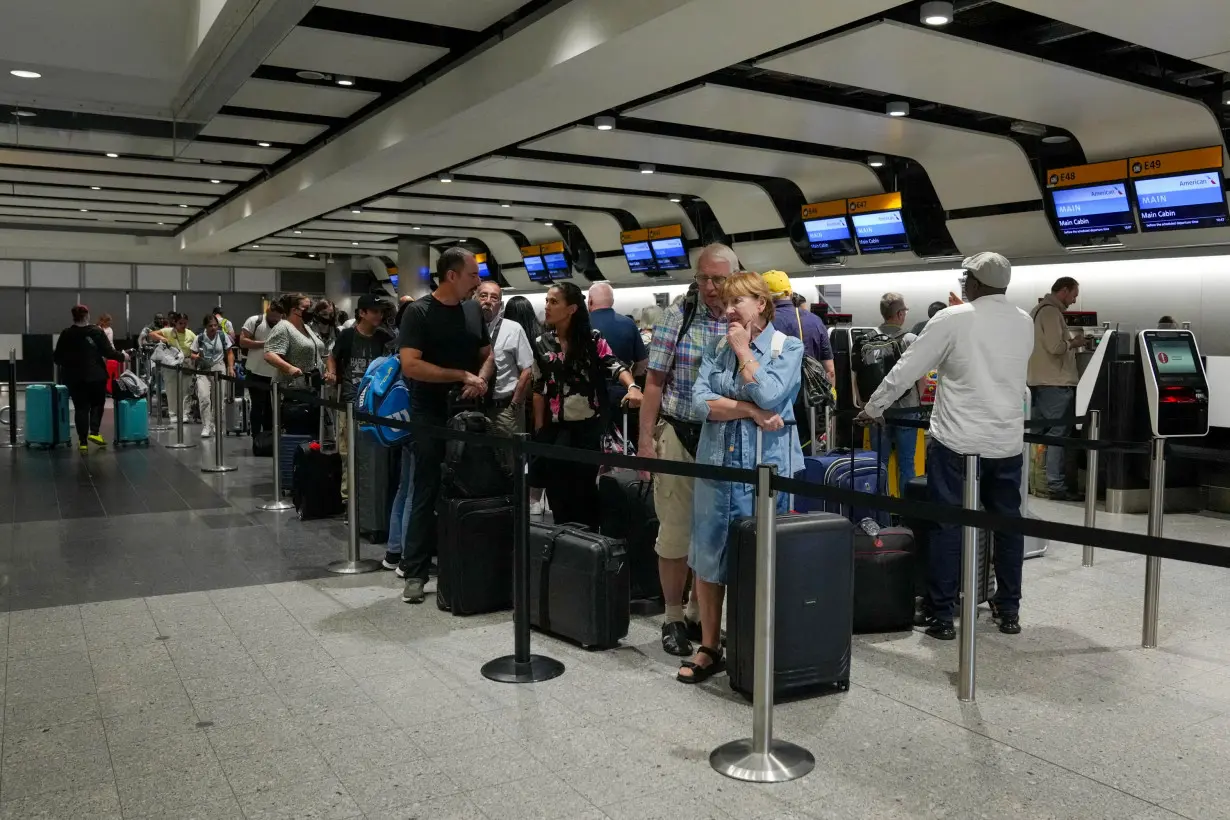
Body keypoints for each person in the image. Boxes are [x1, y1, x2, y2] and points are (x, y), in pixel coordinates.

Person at [858, 252, 1033, 639]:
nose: (962, 284)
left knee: (946, 525)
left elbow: (907, 369)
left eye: (965, 277)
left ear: (974, 282)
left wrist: (873, 408)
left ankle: (941, 614)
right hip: (1006, 444)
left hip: (956, 442)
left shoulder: (952, 319)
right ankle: (1009, 610)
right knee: (1007, 526)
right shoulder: (1024, 321)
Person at [678, 272, 804, 683]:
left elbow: (771, 394)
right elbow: (699, 402)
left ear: (762, 304)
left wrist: (744, 352)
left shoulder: (789, 347)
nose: (729, 310)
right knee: (710, 558)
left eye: (738, 302)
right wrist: (748, 411)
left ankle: (757, 643)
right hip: (717, 468)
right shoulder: (717, 347)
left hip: (766, 472)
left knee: (762, 559)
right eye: (726, 303)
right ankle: (710, 646)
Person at [638, 243, 736, 657]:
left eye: (717, 278)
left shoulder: (744, 316)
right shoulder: (679, 316)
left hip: (725, 439)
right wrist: (645, 440)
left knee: (715, 532)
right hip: (679, 433)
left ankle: (702, 613)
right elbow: (655, 381)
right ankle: (673, 615)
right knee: (676, 530)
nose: (710, 286)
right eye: (703, 277)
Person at [397, 248, 493, 604]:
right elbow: (411, 365)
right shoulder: (419, 313)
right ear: (451, 275)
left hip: (468, 410)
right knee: (426, 486)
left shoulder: (471, 311)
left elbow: (487, 356)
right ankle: (415, 570)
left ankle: (466, 562)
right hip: (430, 411)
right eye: (472, 275)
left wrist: (478, 379)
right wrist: (459, 374)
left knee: (471, 483)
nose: (478, 281)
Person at [531, 281, 641, 528]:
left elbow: (614, 365)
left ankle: (589, 545)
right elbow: (538, 387)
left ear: (571, 309)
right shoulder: (541, 342)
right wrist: (539, 429)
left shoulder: (592, 339)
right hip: (555, 430)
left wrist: (632, 386)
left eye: (554, 301)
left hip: (587, 429)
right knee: (557, 492)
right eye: (546, 301)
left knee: (584, 493)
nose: (547, 306)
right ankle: (562, 544)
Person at [328, 295, 394, 501]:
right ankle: (348, 498)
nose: (379, 315)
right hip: (350, 399)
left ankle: (370, 498)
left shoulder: (385, 337)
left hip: (375, 402)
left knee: (374, 452)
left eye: (381, 312)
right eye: (374, 311)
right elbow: (333, 356)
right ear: (362, 313)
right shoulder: (347, 335)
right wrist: (331, 373)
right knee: (348, 451)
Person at [761, 270, 834, 452]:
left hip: (775, 404)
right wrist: (829, 401)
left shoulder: (764, 322)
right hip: (811, 402)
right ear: (790, 293)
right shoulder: (815, 321)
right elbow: (829, 369)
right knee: (808, 451)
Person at [1027, 276, 1085, 502]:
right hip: (1055, 383)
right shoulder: (1051, 312)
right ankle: (1055, 485)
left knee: (1037, 433)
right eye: (1073, 295)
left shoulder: (1036, 310)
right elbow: (1055, 346)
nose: (1074, 300)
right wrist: (1075, 342)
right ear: (1064, 290)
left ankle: (1035, 482)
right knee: (1057, 434)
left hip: (1039, 381)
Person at [54, 305, 127, 452]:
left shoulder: (66, 334)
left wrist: (70, 365)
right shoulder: (96, 332)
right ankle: (94, 432)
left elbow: (57, 357)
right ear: (87, 316)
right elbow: (108, 352)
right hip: (96, 375)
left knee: (80, 407)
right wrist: (123, 357)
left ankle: (82, 442)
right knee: (97, 403)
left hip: (74, 377)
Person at [872, 293, 921, 493]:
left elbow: (857, 376)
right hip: (907, 410)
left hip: (878, 410)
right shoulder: (910, 339)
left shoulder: (868, 338)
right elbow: (922, 379)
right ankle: (906, 513)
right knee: (907, 464)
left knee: (878, 464)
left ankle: (878, 512)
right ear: (900, 314)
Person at [504, 295, 549, 516]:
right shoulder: (542, 337)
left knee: (514, 451)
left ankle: (514, 494)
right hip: (540, 401)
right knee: (537, 448)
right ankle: (535, 498)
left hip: (517, 401)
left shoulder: (507, 332)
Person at [476, 282, 534, 438]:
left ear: (500, 305)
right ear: (475, 299)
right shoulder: (468, 328)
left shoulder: (513, 329)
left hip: (504, 411)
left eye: (493, 297)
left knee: (509, 459)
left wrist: (514, 405)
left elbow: (527, 370)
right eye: (483, 295)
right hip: (474, 409)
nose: (488, 300)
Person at [587, 282, 648, 408]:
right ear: (612, 301)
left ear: (590, 301)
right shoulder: (628, 324)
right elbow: (642, 363)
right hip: (621, 393)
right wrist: (630, 379)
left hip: (590, 394)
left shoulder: (580, 325)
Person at [239, 302, 284, 439]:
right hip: (255, 371)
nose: (275, 321)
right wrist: (264, 344)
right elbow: (242, 341)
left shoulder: (283, 324)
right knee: (258, 405)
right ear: (268, 311)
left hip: (275, 373)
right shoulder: (255, 321)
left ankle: (269, 438)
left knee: (272, 408)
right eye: (273, 317)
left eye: (278, 318)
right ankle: (256, 437)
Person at [191, 313, 235, 438]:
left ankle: (216, 424)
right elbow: (192, 354)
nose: (213, 328)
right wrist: (198, 357)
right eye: (210, 326)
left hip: (218, 367)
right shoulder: (199, 338)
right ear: (205, 326)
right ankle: (206, 426)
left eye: (215, 325)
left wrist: (230, 367)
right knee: (204, 397)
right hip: (203, 369)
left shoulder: (222, 336)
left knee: (219, 399)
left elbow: (230, 352)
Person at [152, 312, 198, 422]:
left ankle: (185, 413)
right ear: (175, 323)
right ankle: (173, 414)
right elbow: (152, 334)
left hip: (186, 363)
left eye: (185, 323)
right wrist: (162, 338)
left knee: (186, 390)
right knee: (171, 389)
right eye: (180, 323)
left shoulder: (190, 333)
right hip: (171, 364)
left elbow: (197, 344)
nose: (183, 325)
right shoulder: (169, 331)